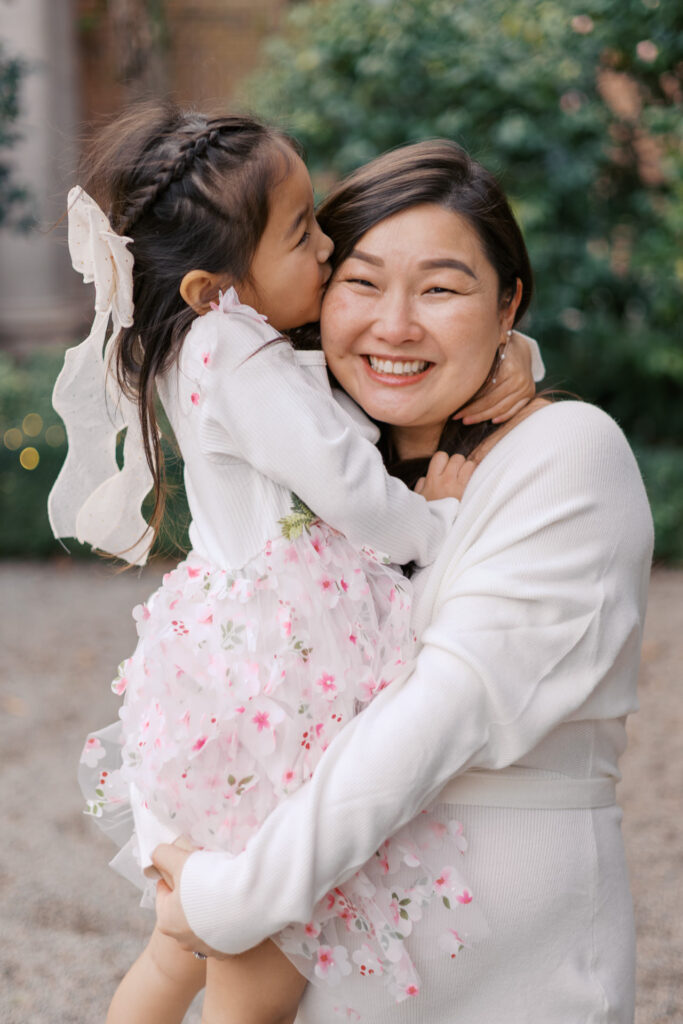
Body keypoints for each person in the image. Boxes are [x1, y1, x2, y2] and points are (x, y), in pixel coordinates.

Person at [48, 108, 541, 1024]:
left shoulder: (208, 343)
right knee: (265, 955)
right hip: (291, 665)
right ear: (212, 287)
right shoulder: (244, 353)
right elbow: (351, 482)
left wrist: (514, 352)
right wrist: (433, 524)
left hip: (233, 664)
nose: (325, 249)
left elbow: (362, 378)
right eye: (303, 231)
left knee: (181, 944)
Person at [151, 140, 654, 1024]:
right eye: (360, 281)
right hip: (329, 961)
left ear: (509, 306)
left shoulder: (564, 453)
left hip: (505, 974)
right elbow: (221, 695)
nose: (394, 324)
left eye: (442, 288)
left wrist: (229, 897)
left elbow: (441, 708)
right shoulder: (319, 470)